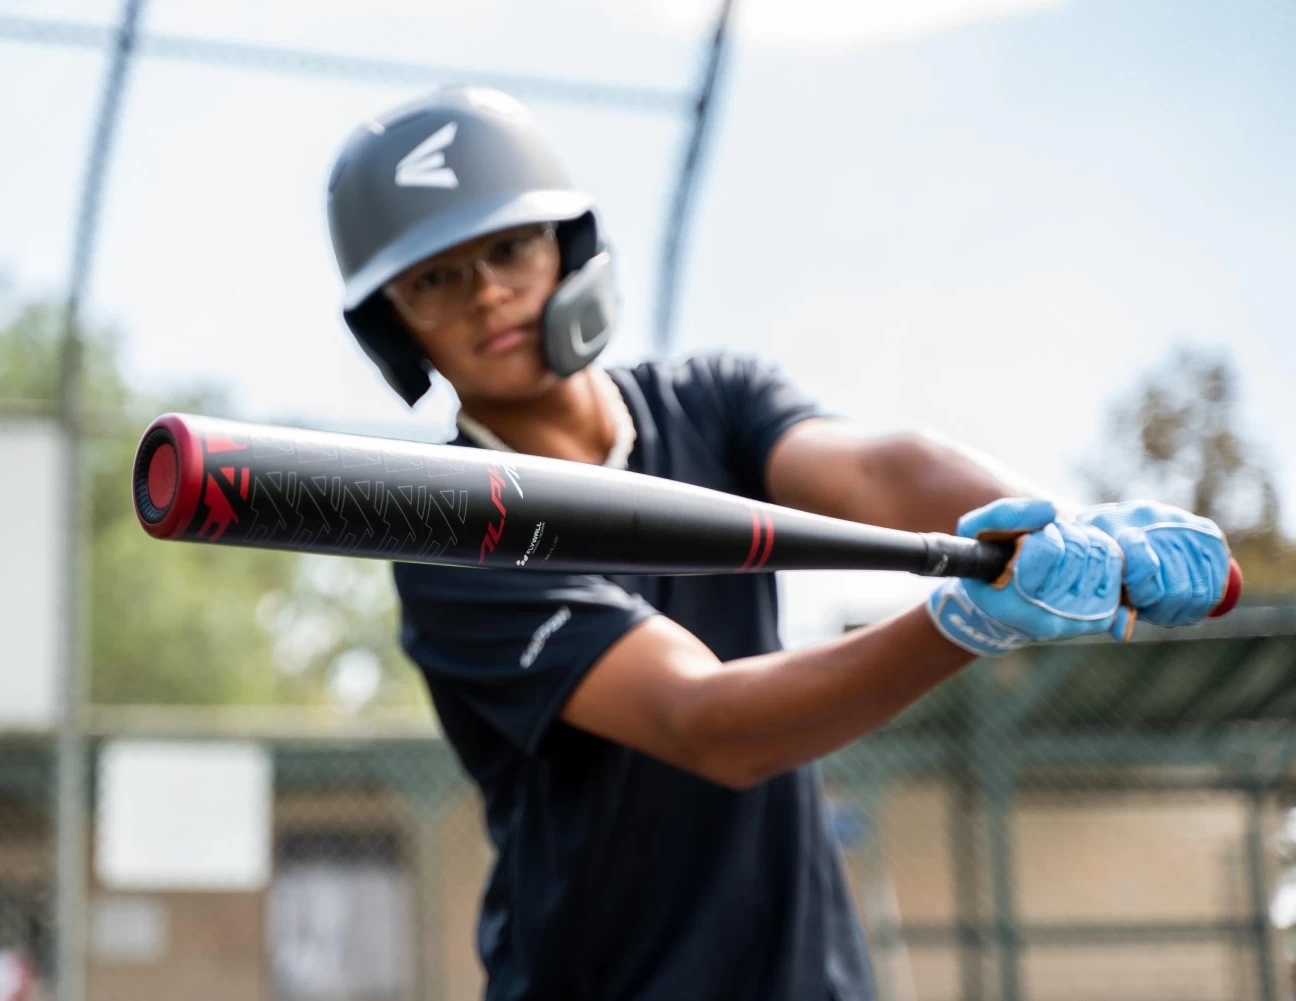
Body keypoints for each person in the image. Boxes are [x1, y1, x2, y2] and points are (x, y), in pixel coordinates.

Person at [322, 86, 1233, 1001]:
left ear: (569, 245)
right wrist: (964, 622)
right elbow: (706, 722)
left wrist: (1067, 528)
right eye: (434, 279)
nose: (487, 293)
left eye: (509, 247)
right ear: (394, 327)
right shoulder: (452, 530)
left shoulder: (711, 402)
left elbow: (879, 474)